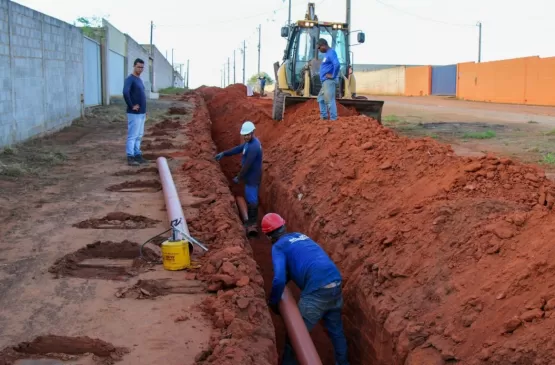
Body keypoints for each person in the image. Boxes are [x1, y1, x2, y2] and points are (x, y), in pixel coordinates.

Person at [262, 213, 349, 365]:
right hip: (335, 282)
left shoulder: (279, 247)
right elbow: (300, 263)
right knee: (336, 332)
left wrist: (274, 301)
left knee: (296, 337)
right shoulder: (299, 235)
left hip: (317, 290)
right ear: (284, 226)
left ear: (269, 236)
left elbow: (279, 278)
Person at [215, 121, 263, 231]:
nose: (245, 137)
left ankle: (252, 223)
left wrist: (239, 177)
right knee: (250, 196)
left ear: (253, 132)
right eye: (244, 135)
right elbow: (239, 148)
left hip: (252, 177)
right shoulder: (248, 143)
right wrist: (224, 153)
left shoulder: (254, 146)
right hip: (249, 176)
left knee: (252, 199)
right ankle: (251, 220)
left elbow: (247, 165)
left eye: (247, 135)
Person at [123, 58, 147, 166]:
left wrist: (144, 111)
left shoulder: (139, 80)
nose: (140, 69)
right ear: (134, 66)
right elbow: (125, 92)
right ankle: (130, 157)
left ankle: (138, 154)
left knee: (139, 135)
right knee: (133, 135)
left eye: (142, 67)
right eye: (138, 67)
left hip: (141, 113)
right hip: (134, 113)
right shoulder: (130, 79)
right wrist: (131, 105)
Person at [316, 38, 340, 121]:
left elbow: (337, 64)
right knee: (320, 99)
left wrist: (333, 75)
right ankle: (324, 117)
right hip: (325, 81)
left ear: (323, 45)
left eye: (319, 48)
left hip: (328, 81)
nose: (318, 50)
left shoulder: (331, 53)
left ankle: (333, 119)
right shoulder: (327, 54)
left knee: (329, 100)